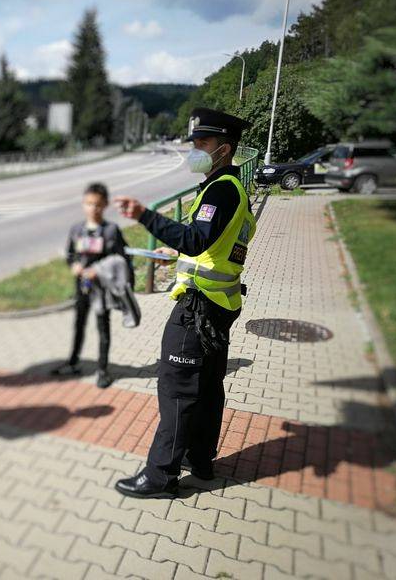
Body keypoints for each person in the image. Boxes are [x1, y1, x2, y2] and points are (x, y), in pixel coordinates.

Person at [113, 107, 256, 498]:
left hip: (199, 310)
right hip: (219, 304)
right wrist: (173, 249)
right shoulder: (228, 186)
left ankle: (160, 476)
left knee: (177, 388)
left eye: (203, 143)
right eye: (193, 142)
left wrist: (145, 215)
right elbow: (206, 244)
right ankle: (201, 460)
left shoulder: (222, 189)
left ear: (224, 149)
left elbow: (196, 241)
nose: (195, 149)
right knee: (207, 387)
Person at [51, 182, 131, 389]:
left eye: (97, 204)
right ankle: (73, 362)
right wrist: (74, 265)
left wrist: (101, 270)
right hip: (82, 286)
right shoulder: (77, 229)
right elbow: (71, 253)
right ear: (83, 204)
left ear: (104, 205)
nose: (92, 209)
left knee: (103, 327)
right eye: (88, 204)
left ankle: (103, 370)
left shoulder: (111, 230)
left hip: (102, 290)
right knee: (78, 323)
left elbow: (122, 259)